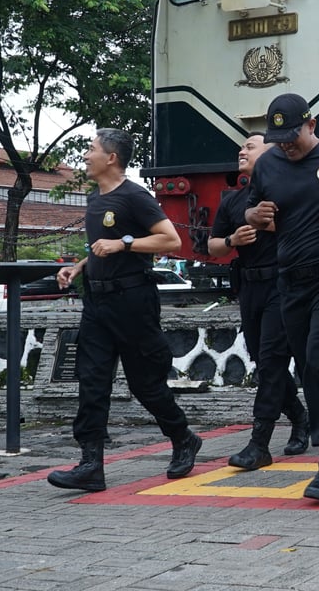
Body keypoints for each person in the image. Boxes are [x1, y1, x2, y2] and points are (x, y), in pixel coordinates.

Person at [48, 128, 201, 492]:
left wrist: (123, 243)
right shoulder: (94, 198)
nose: (86, 156)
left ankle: (183, 437)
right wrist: (79, 266)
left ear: (111, 158)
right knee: (92, 381)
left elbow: (170, 239)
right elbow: (100, 248)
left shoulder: (135, 196)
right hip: (96, 303)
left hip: (132, 301)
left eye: (91, 149)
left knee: (145, 384)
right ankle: (91, 465)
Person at [246, 93, 319, 503]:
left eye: (292, 136)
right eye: (278, 139)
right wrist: (254, 216)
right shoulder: (267, 165)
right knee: (309, 368)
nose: (286, 145)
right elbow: (251, 210)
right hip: (292, 281)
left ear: (311, 125)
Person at [207, 133, 309, 469]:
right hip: (249, 288)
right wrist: (233, 239)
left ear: (270, 154)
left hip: (282, 284)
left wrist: (273, 223)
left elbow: (305, 229)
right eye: (242, 146)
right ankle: (300, 417)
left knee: (272, 360)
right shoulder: (233, 200)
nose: (242, 151)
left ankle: (259, 442)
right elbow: (213, 246)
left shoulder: (285, 191)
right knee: (263, 362)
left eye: (250, 147)